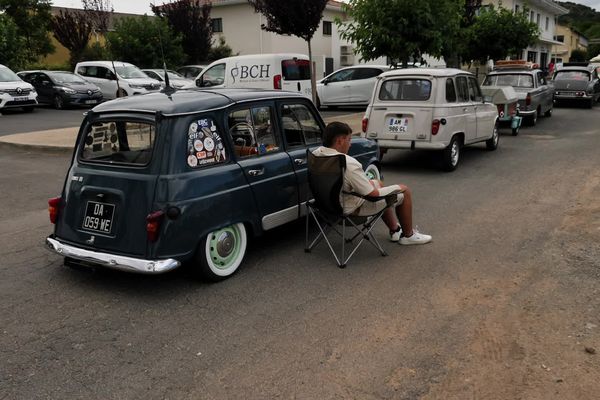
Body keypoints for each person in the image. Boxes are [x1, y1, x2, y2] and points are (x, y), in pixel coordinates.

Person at [313, 121, 432, 245]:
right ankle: (408, 236)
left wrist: (374, 185)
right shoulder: (348, 163)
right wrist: (400, 187)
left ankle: (395, 230)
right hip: (350, 211)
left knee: (376, 183)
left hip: (325, 206)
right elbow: (373, 195)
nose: (350, 144)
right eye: (349, 140)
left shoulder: (317, 154)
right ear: (340, 141)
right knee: (404, 192)